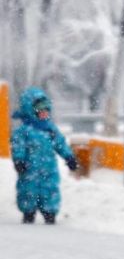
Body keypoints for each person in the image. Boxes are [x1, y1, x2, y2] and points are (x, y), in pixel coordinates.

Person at [11, 87, 78, 225]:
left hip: (49, 169)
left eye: (47, 109)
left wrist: (69, 157)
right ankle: (28, 212)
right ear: (30, 110)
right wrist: (19, 160)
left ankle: (50, 213)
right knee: (28, 190)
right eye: (40, 110)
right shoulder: (24, 131)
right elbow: (18, 146)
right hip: (29, 170)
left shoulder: (50, 129)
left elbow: (60, 144)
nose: (44, 113)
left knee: (50, 190)